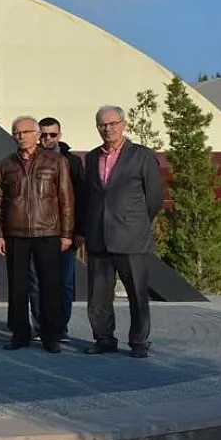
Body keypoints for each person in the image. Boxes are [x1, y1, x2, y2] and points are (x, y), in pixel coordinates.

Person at [81, 105, 163, 359]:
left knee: (137, 293)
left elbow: (155, 198)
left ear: (124, 125)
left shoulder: (141, 155)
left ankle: (139, 342)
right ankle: (104, 338)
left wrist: (135, 222)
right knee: (98, 296)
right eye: (103, 125)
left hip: (131, 237)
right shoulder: (92, 157)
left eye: (113, 123)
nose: (108, 129)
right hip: (98, 237)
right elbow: (90, 197)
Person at [0, 116, 75, 354]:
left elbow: (66, 200)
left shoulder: (56, 161)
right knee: (18, 287)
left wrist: (67, 233)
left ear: (37, 134)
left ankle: (51, 335)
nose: (21, 136)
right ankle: (19, 334)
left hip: (47, 231)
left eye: (26, 131)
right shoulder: (6, 164)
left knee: (50, 286)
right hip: (16, 233)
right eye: (16, 132)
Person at [37, 116, 86, 341]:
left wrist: (78, 232)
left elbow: (81, 199)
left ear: (60, 135)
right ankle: (41, 327)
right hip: (37, 232)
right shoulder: (30, 159)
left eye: (52, 134)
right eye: (43, 134)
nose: (47, 138)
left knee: (64, 283)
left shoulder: (73, 162)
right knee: (37, 282)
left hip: (65, 232)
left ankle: (61, 328)